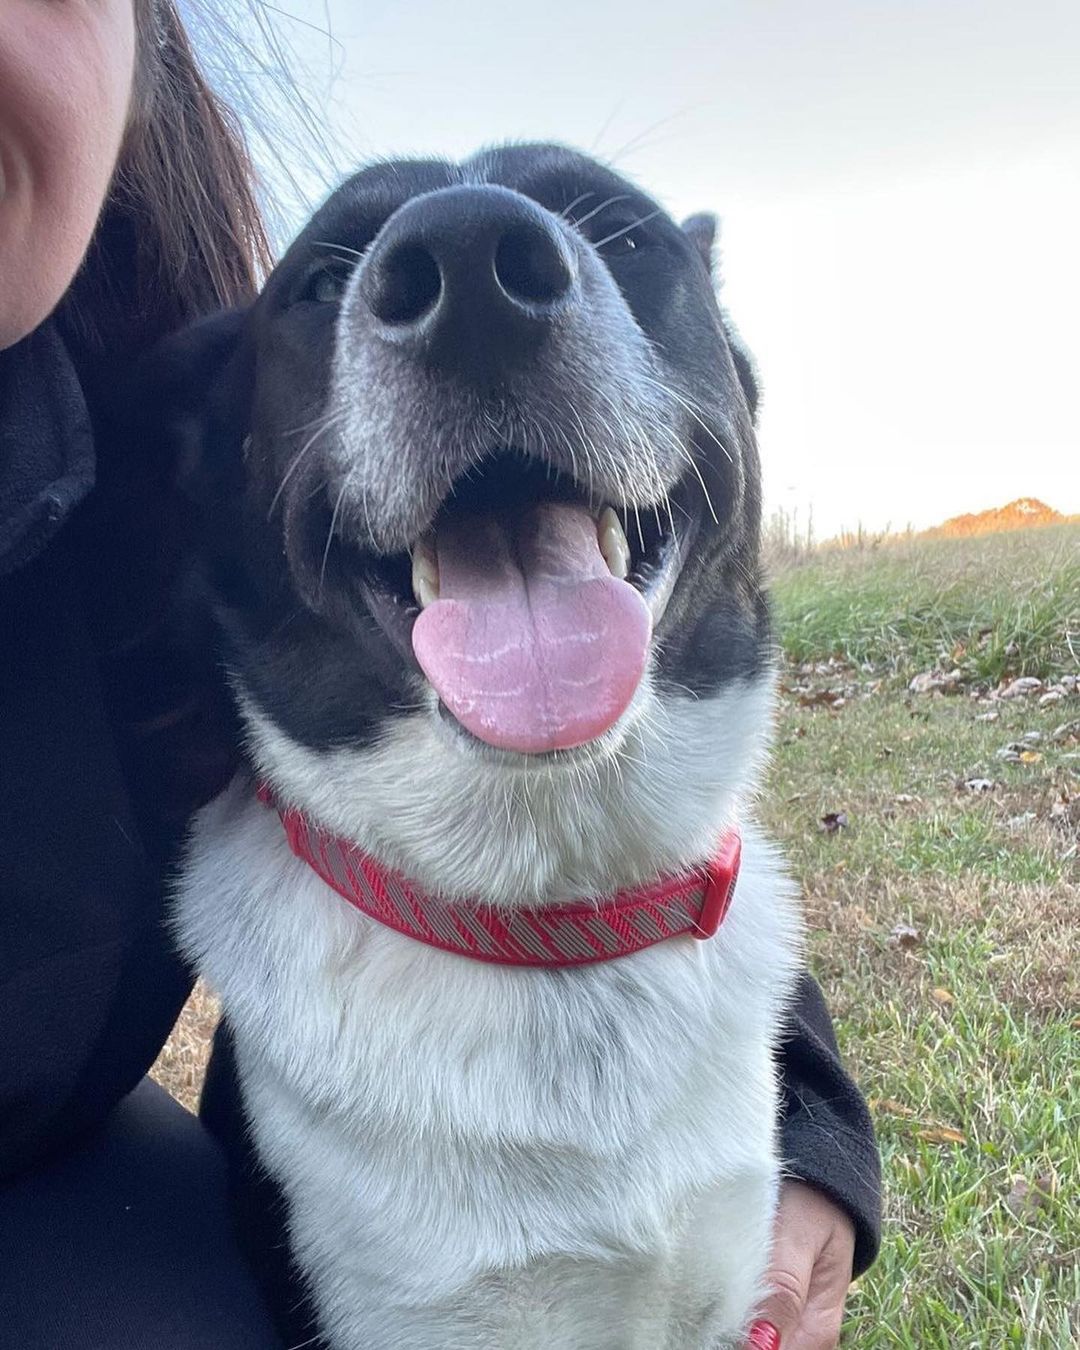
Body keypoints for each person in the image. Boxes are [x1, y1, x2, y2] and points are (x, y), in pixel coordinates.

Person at [0, 3, 880, 1347]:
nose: (473, 264)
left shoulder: (109, 477)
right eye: (338, 285)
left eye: (619, 243)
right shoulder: (171, 453)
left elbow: (666, 841)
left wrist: (805, 1105)